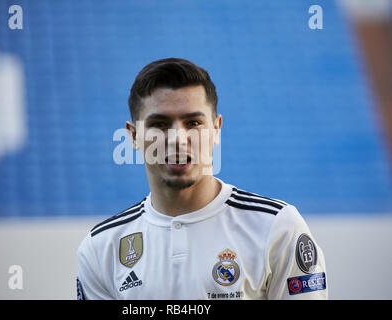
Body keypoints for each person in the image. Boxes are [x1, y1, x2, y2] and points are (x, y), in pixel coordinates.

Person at [76, 58, 327, 300]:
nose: (177, 138)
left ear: (216, 129)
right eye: (160, 124)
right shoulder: (101, 247)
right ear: (133, 136)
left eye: (193, 122)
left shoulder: (278, 228)